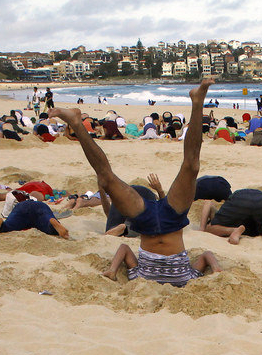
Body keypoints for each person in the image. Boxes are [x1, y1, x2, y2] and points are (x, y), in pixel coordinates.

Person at [52, 79, 218, 286]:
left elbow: (125, 250)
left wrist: (112, 270)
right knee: (191, 166)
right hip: (173, 216)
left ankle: (76, 123)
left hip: (144, 220)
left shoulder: (138, 277)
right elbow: (206, 256)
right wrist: (218, 270)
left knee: (106, 179)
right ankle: (197, 101)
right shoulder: (190, 278)